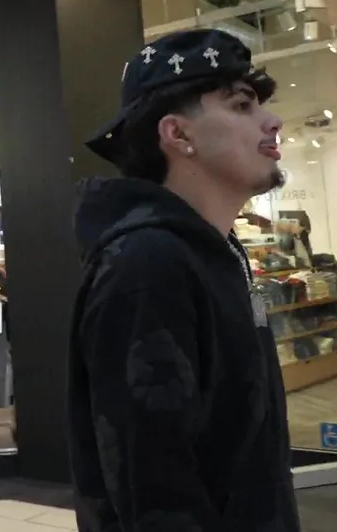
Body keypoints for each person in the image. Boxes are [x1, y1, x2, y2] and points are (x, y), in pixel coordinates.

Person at [69, 29, 300, 531]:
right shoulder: (148, 265)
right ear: (177, 134)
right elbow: (154, 484)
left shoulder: (216, 250)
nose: (272, 121)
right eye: (242, 106)